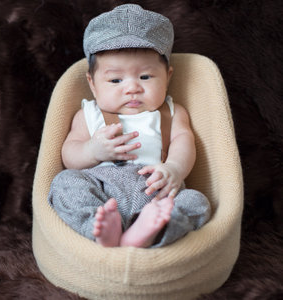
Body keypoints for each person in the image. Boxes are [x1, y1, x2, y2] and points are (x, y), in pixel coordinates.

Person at [48, 4, 211, 248]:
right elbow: (69, 155)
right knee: (65, 182)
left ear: (168, 76)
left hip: (156, 190)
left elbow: (183, 142)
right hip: (101, 189)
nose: (132, 87)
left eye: (145, 77)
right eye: (115, 80)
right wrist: (92, 151)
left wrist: (174, 169)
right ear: (93, 84)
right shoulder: (88, 114)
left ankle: (148, 233)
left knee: (196, 202)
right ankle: (100, 228)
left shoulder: (172, 113)